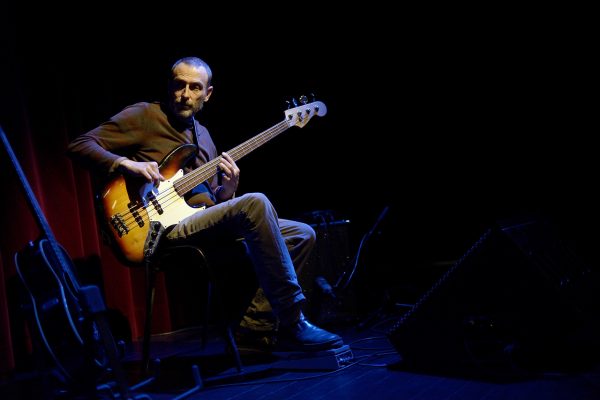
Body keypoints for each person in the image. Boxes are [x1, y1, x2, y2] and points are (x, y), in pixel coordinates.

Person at [67, 56, 343, 352]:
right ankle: (294, 319)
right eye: (179, 85)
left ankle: (254, 330)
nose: (185, 94)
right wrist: (127, 164)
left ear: (208, 94)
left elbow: (209, 204)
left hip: (200, 225)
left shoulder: (205, 138)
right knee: (257, 202)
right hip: (160, 229)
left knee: (302, 233)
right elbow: (79, 145)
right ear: (169, 86)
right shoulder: (145, 115)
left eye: (195, 87)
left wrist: (227, 192)